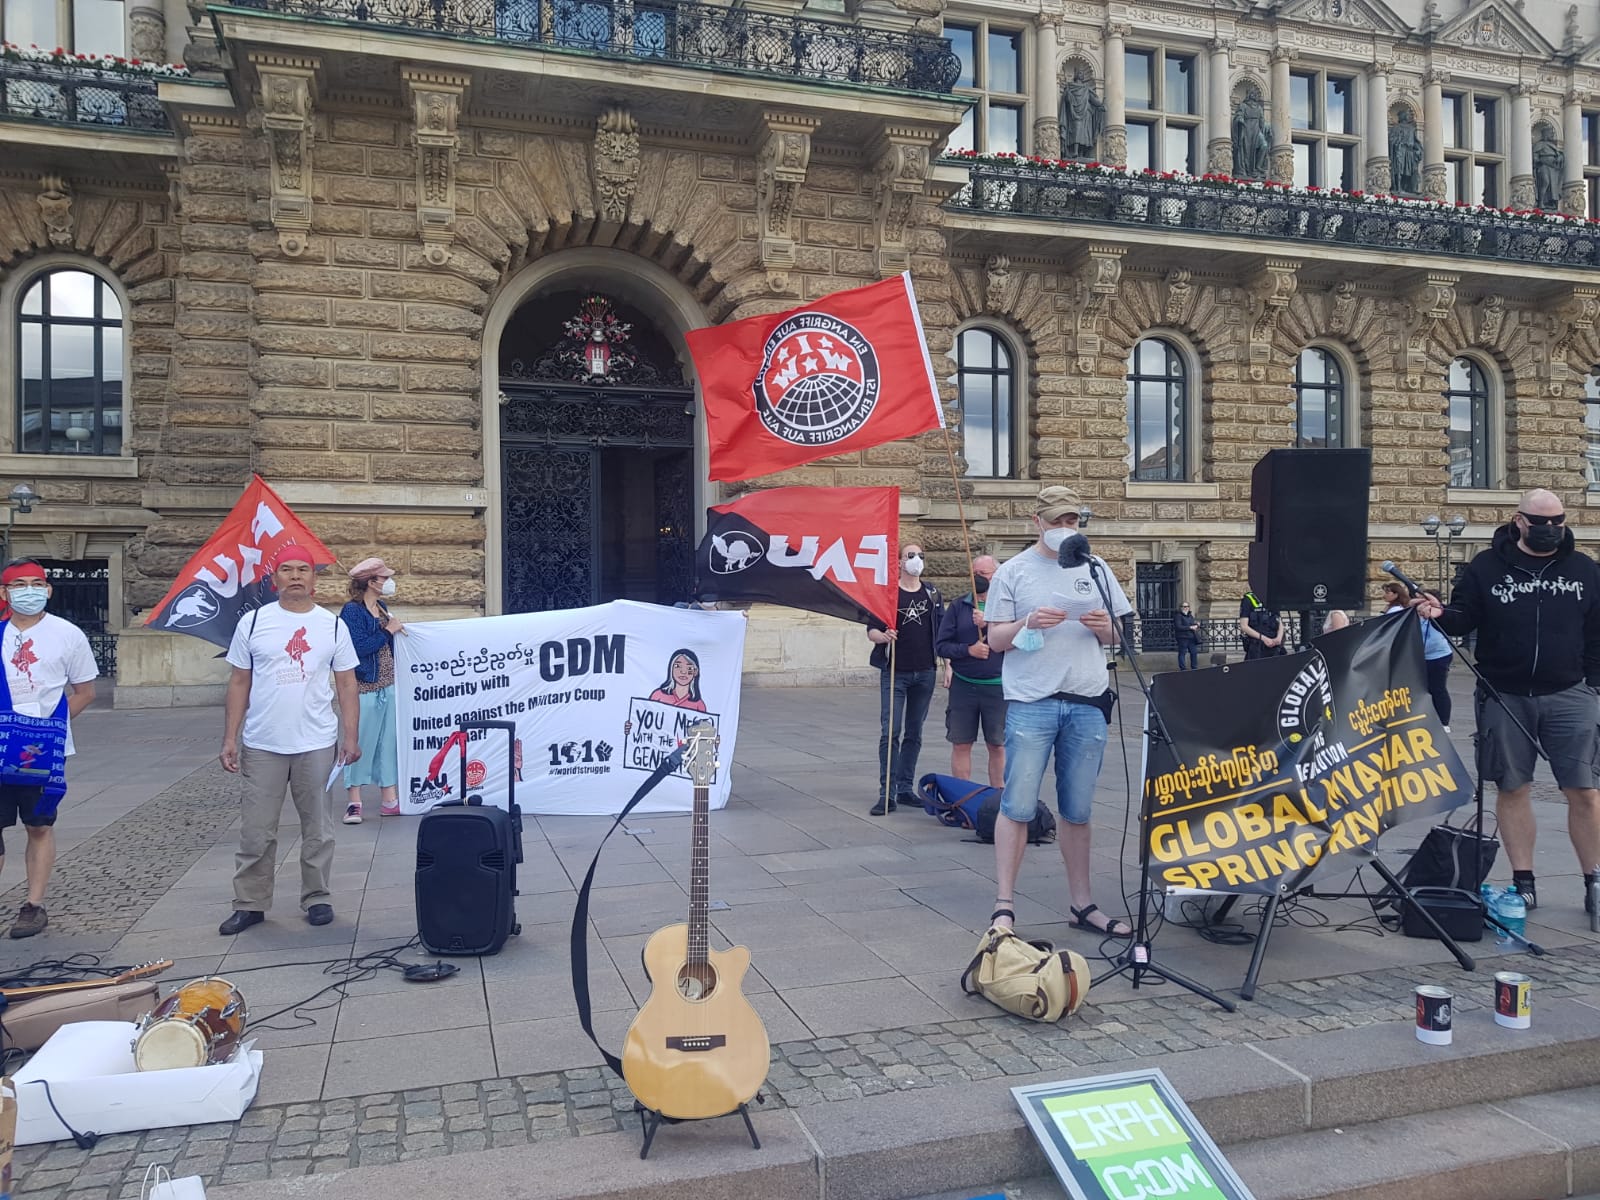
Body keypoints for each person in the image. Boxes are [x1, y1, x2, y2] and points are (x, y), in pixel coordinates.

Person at [1416, 489, 1600, 915]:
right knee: (1513, 786)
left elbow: (1596, 631)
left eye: (1558, 521)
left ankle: (1593, 879)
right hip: (1504, 693)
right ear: (1519, 521)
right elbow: (1464, 618)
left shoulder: (1584, 570)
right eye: (1541, 522)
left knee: (1585, 790)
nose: (1550, 529)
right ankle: (1524, 881)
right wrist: (1440, 614)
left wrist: (1594, 684)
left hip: (1570, 693)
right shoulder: (1486, 567)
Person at [984, 486, 1134, 939]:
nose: (1065, 529)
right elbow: (994, 640)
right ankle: (1004, 905)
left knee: (1078, 809)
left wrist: (1107, 628)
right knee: (1018, 805)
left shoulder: (1095, 566)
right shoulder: (1013, 571)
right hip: (1033, 702)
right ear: (1038, 522)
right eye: (1057, 521)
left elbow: (1121, 636)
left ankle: (1082, 904)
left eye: (1072, 521)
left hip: (1087, 700)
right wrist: (1027, 622)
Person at [219, 546, 361, 935]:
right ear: (274, 578)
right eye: (287, 569)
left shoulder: (332, 626)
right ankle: (250, 903)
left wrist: (351, 736)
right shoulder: (253, 623)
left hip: (315, 741)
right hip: (263, 741)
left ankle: (317, 897)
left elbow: (347, 683)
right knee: (256, 829)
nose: (295, 576)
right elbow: (239, 681)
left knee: (318, 827)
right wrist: (230, 737)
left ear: (314, 579)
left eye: (303, 569)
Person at [0, 560, 97, 939]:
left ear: (48, 589)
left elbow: (85, 692)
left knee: (39, 824)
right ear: (4, 592)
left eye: (36, 583)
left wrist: (49, 730)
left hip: (41, 751)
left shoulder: (68, 634)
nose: (29, 591)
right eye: (19, 584)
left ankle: (33, 904)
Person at [865, 543, 944, 815]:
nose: (917, 560)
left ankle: (905, 788)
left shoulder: (932, 593)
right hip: (895, 673)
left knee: (914, 732)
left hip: (925, 671)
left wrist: (947, 666)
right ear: (899, 562)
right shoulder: (888, 593)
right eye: (911, 555)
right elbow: (871, 630)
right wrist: (883, 636)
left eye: (921, 555)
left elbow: (941, 631)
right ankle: (886, 794)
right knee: (891, 732)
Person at [339, 557, 403, 823]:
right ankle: (354, 800)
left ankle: (389, 796)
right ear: (371, 582)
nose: (389, 582)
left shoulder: (382, 607)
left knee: (387, 742)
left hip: (388, 684)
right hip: (365, 686)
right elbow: (358, 647)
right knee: (361, 740)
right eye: (384, 578)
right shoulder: (352, 611)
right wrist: (388, 632)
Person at [936, 555, 1005, 787]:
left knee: (997, 744)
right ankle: (963, 795)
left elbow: (1019, 639)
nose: (978, 578)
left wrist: (989, 623)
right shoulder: (959, 606)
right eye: (974, 574)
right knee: (961, 743)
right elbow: (941, 645)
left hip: (997, 687)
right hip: (964, 686)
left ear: (996, 575)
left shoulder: (1007, 605)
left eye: (983, 574)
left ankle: (999, 796)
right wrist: (968, 650)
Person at [1379, 581, 1453, 731]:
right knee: (1420, 689)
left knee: (1437, 688)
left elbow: (1443, 615)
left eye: (1422, 598)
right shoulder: (1413, 612)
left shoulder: (1436, 611)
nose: (1419, 601)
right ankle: (1423, 718)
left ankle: (1444, 722)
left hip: (1438, 655)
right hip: (1420, 655)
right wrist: (1410, 606)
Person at [1238, 589, 1287, 659]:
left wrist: (1279, 638)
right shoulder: (1248, 599)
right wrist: (1264, 639)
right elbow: (1244, 626)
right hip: (1257, 646)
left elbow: (1279, 620)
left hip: (1275, 646)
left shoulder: (1272, 598)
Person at [1173, 602, 1200, 670]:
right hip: (1182, 637)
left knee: (1194, 652)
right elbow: (1178, 626)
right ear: (1181, 607)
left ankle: (1194, 667)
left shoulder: (1190, 615)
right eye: (1184, 606)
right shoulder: (1178, 616)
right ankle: (1183, 669)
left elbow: (1192, 623)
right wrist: (1190, 627)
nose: (1186, 608)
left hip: (1191, 637)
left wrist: (1196, 625)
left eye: (1187, 606)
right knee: (1182, 653)